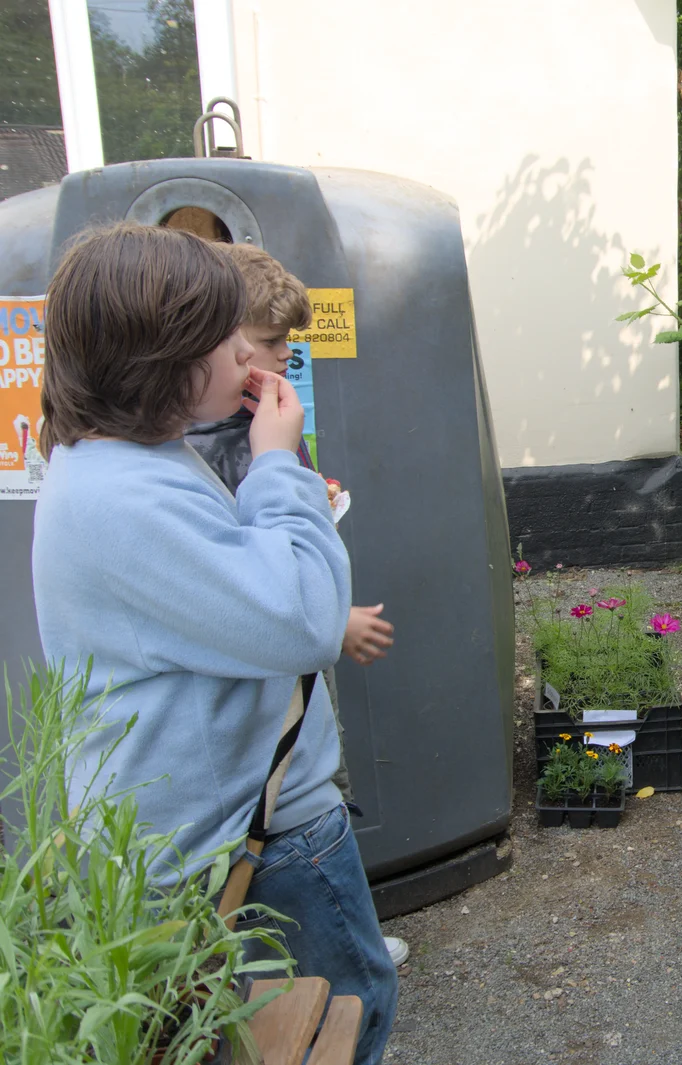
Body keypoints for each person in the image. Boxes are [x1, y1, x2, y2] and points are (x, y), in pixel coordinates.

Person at [31, 223, 398, 1065]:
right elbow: (306, 615)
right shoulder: (125, 498)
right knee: (351, 1008)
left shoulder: (124, 461)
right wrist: (278, 463)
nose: (247, 352)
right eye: (223, 336)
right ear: (161, 360)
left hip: (225, 823)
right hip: (249, 834)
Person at [182, 244, 407, 967]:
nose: (285, 356)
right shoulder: (215, 448)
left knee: (323, 798)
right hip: (278, 695)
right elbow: (250, 591)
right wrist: (331, 621)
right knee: (306, 817)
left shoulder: (256, 419)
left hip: (296, 687)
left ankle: (346, 932)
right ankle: (345, 944)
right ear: (230, 341)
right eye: (275, 342)